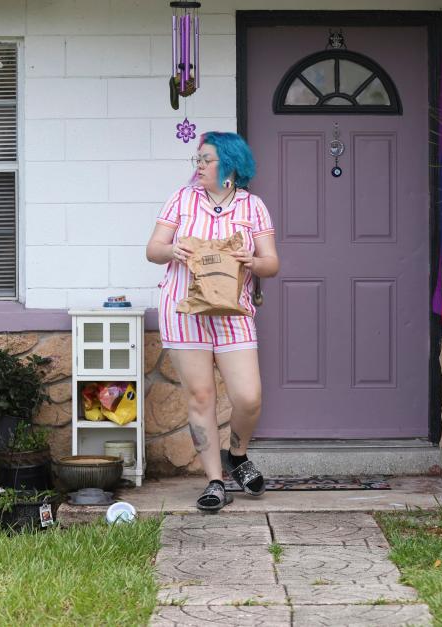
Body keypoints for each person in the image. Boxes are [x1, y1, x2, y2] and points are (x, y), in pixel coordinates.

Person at [145, 131, 279, 513]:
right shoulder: (182, 199)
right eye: (197, 160)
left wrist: (252, 262)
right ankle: (214, 480)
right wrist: (174, 249)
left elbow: (272, 262)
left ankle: (237, 454)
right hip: (184, 310)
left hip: (234, 313)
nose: (199, 166)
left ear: (230, 165)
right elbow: (153, 250)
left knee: (248, 396)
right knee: (201, 396)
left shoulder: (253, 207)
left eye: (206, 160)